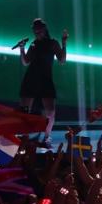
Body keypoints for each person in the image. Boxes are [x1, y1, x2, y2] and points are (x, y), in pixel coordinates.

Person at [18, 18, 68, 147]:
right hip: (31, 78)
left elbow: (62, 60)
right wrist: (22, 49)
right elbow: (26, 62)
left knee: (50, 112)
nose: (37, 32)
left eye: (39, 30)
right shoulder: (33, 44)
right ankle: (25, 137)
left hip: (45, 79)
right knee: (24, 111)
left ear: (44, 29)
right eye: (35, 30)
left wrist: (64, 43)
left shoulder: (52, 43)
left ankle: (46, 137)